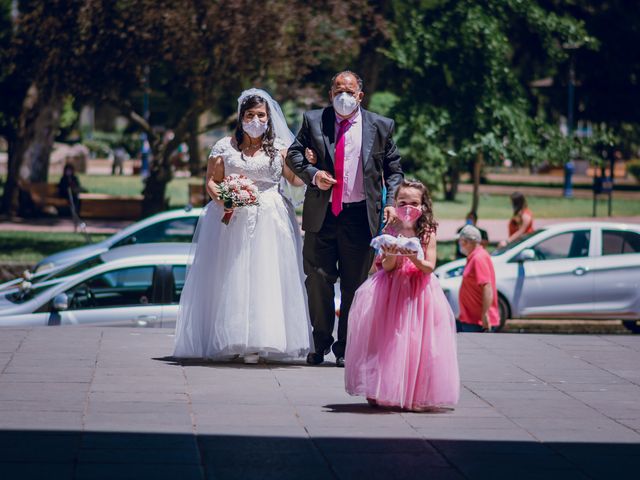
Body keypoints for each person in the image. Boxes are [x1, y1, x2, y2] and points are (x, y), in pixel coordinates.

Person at [173, 88, 311, 363]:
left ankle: (264, 340)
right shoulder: (225, 147)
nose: (256, 120)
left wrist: (307, 164)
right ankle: (230, 338)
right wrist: (224, 198)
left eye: (261, 115)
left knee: (265, 275)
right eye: (250, 115)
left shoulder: (280, 150)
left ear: (269, 119)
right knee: (231, 274)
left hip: (271, 217)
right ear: (241, 117)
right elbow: (212, 180)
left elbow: (295, 181)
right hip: (232, 217)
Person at [286, 70, 404, 367]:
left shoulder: (380, 126)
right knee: (317, 280)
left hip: (360, 217)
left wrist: (391, 202)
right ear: (330, 93)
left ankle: (345, 348)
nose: (344, 96)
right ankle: (320, 342)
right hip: (322, 216)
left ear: (360, 96)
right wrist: (314, 175)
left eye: (350, 91)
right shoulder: (314, 121)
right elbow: (294, 155)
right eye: (338, 89)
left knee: (354, 285)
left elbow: (394, 171)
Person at [345, 179, 459, 411]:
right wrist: (394, 253)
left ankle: (415, 393)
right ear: (395, 204)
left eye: (414, 203)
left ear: (423, 206)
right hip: (390, 288)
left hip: (419, 290)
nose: (408, 207)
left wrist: (414, 255)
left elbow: (429, 266)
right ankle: (383, 389)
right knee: (390, 340)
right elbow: (384, 266)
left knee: (417, 340)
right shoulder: (390, 229)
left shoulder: (427, 231)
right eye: (403, 202)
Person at [457, 225, 500, 333]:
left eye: (461, 241)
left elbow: (487, 286)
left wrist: (485, 314)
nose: (460, 244)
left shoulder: (478, 258)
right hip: (471, 320)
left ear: (468, 242)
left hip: (478, 322)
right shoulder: (474, 257)